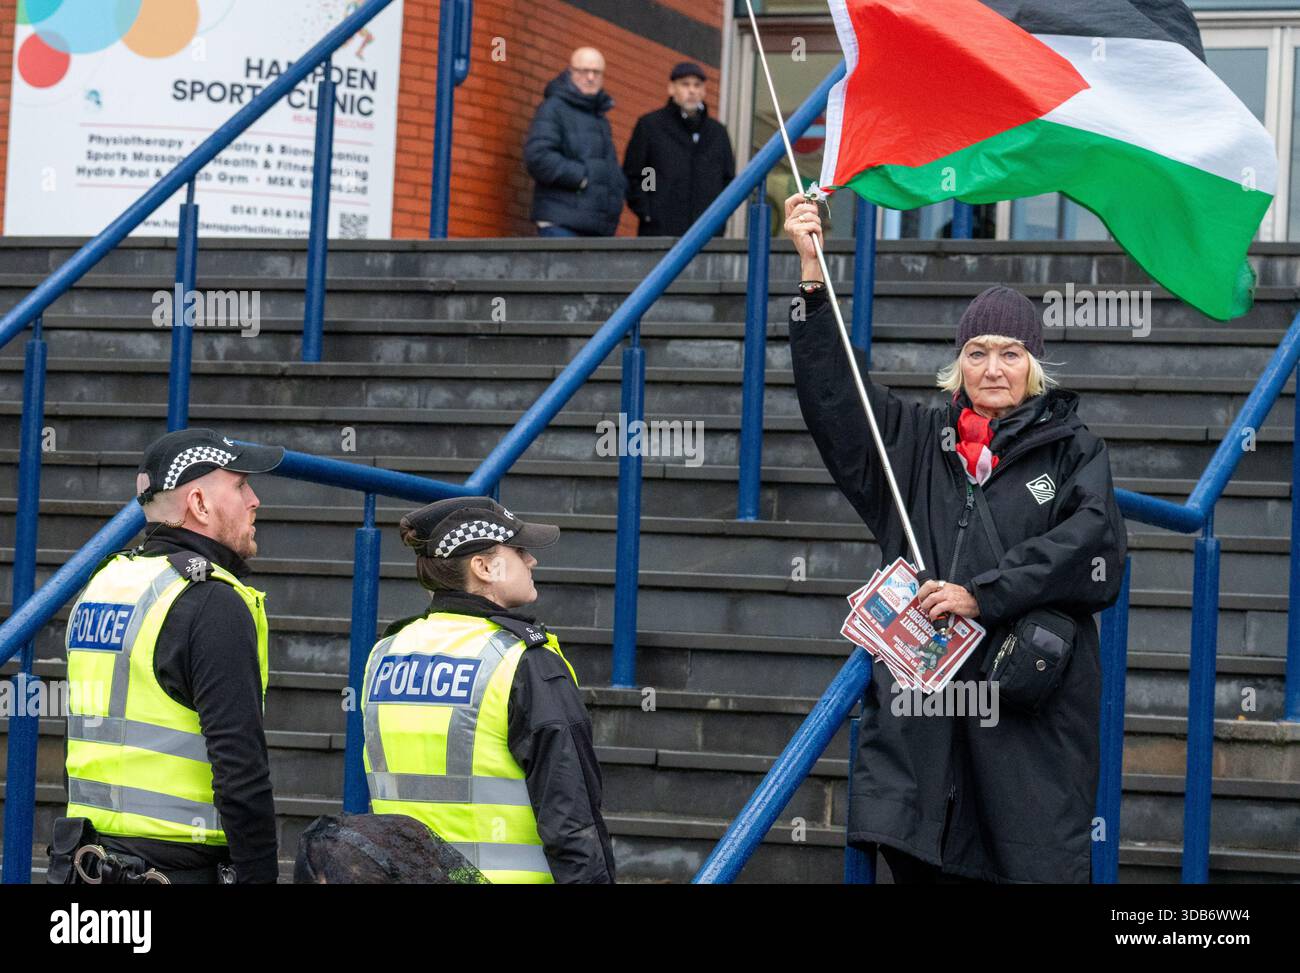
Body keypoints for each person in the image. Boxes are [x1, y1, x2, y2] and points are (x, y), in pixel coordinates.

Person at [782, 193, 1127, 883]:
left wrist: (982, 594)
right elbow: (836, 398)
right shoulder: (914, 441)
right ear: (957, 363)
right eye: (976, 351)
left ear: (1034, 364)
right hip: (926, 745)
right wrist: (812, 277)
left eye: (1009, 351)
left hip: (1026, 738)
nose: (992, 368)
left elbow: (1095, 550)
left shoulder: (1073, 452)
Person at [55, 428, 284, 884]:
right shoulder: (211, 601)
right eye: (240, 485)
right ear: (199, 504)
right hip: (173, 870)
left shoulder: (104, 585)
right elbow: (239, 769)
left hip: (87, 865)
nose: (254, 499)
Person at [360, 496, 615, 884]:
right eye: (519, 550)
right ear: (483, 567)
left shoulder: (386, 652)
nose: (532, 561)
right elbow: (572, 820)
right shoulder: (524, 660)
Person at [623, 61, 736, 236]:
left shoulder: (717, 132)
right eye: (685, 84)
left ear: (704, 91)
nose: (692, 90)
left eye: (697, 85)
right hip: (660, 233)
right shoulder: (651, 126)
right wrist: (649, 210)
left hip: (706, 234)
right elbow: (642, 171)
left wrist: (718, 217)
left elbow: (728, 180)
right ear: (671, 88)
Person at [524, 47, 627, 238]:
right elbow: (538, 157)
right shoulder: (554, 108)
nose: (590, 77)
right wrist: (582, 177)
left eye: (596, 72)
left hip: (594, 228)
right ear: (570, 72)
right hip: (562, 224)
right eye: (583, 71)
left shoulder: (599, 117)